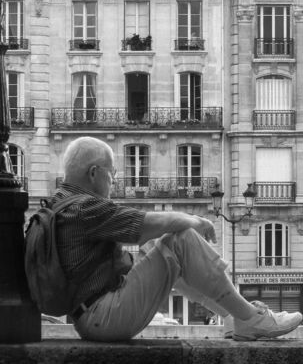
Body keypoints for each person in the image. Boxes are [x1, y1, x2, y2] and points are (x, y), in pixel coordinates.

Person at [52, 136, 302, 341]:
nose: (113, 181)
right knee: (181, 239)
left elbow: (146, 234)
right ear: (94, 173)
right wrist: (196, 221)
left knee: (156, 244)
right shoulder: (85, 209)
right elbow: (145, 223)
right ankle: (252, 319)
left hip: (92, 314)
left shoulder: (62, 203)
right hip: (104, 317)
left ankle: (231, 316)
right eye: (112, 174)